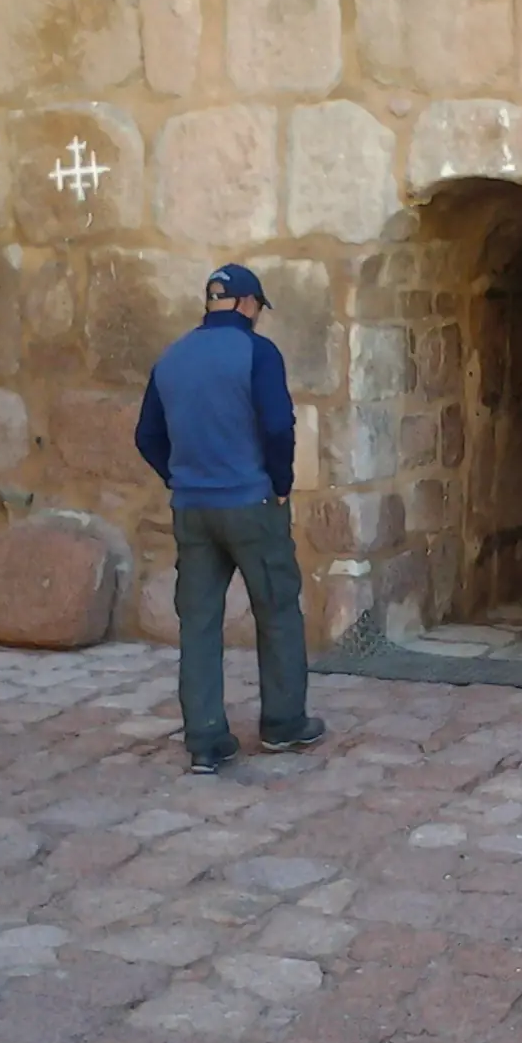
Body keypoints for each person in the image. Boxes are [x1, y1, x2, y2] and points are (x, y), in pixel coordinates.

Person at [135, 264, 325, 774]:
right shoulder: (257, 353)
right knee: (277, 608)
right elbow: (278, 426)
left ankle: (205, 738)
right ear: (247, 303)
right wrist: (281, 483)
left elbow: (147, 436)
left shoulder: (172, 357)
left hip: (192, 509)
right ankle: (283, 723)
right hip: (250, 503)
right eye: (258, 306)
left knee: (198, 622)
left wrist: (179, 477)